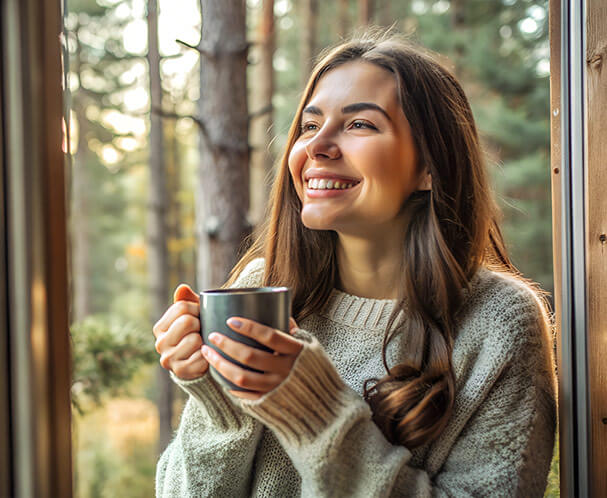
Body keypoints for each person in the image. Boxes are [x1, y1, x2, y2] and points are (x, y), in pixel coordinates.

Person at [152, 30, 557, 497]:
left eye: (359, 125)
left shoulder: (499, 322)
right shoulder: (264, 288)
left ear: (429, 165)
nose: (317, 147)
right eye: (309, 125)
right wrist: (217, 397)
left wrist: (315, 408)